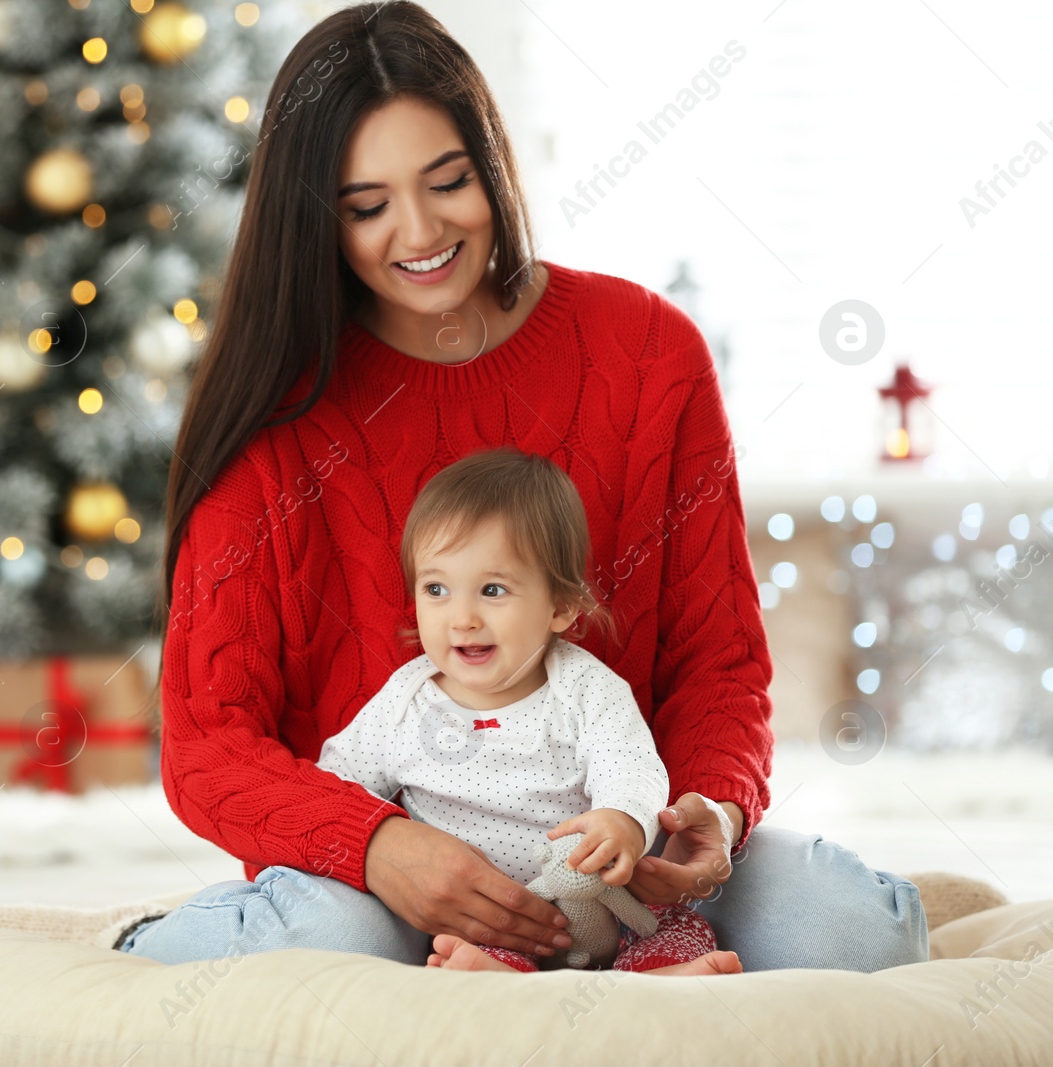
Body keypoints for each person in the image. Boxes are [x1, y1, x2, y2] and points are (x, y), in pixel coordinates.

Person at [116, 0, 927, 972]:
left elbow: (718, 661)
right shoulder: (278, 419)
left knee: (845, 928)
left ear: (490, 163)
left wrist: (709, 807)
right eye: (366, 205)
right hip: (388, 883)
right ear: (313, 219)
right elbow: (208, 743)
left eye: (447, 181)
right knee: (330, 939)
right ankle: (161, 943)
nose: (417, 230)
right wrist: (381, 846)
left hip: (616, 865)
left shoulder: (646, 354)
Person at [314, 447, 740, 975]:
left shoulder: (585, 689)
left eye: (493, 590)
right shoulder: (404, 702)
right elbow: (335, 787)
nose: (462, 618)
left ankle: (655, 977)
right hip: (485, 918)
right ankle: (500, 978)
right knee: (461, 948)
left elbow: (630, 763)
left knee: (680, 925)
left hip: (604, 901)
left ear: (560, 607)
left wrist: (624, 821)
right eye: (436, 589)